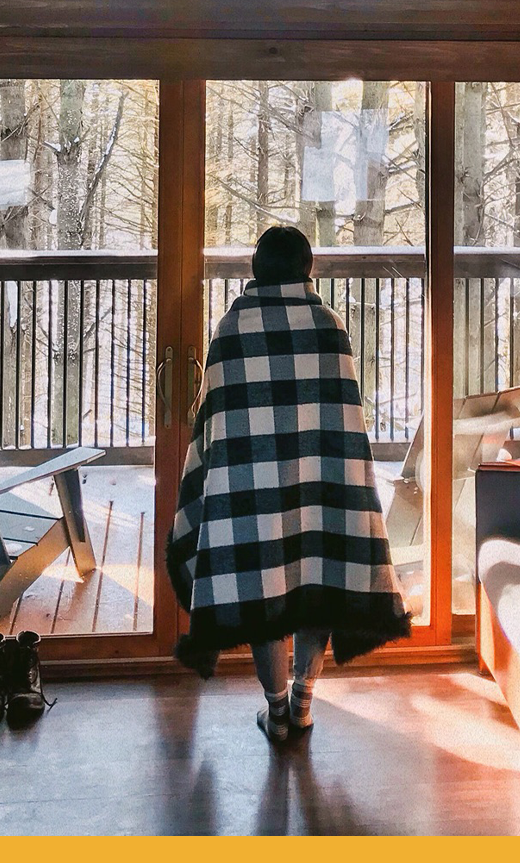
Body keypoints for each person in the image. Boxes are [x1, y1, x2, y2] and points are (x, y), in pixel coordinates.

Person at [166, 225, 410, 742]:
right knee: (316, 578)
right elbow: (344, 418)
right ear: (307, 269)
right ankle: (302, 702)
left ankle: (276, 709)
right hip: (320, 480)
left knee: (263, 582)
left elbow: (213, 419)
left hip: (248, 484)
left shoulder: (232, 327)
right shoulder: (328, 325)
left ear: (258, 268)